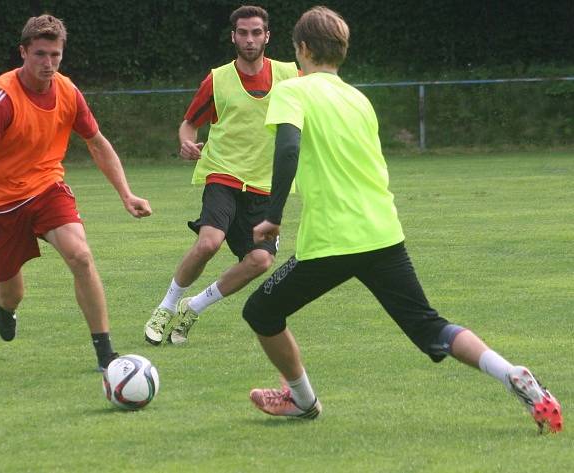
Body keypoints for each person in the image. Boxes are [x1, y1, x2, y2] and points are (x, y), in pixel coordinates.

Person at [242, 6, 563, 433]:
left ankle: (302, 400)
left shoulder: (293, 91)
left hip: (335, 240)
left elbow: (287, 149)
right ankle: (510, 373)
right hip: (382, 232)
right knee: (429, 324)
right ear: (342, 50)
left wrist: (273, 217)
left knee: (261, 311)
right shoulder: (359, 99)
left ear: (301, 49)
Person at [0, 15, 152, 371]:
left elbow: (96, 143)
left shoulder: (67, 91)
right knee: (11, 292)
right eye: (40, 55)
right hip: (0, 205)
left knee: (80, 255)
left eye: (55, 55)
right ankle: (3, 306)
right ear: (23, 52)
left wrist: (126, 194)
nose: (48, 64)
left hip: (47, 187)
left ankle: (105, 354)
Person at [143, 5, 298, 346]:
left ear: (267, 36)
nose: (249, 39)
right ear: (233, 36)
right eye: (243, 33)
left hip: (265, 187)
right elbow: (188, 124)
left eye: (256, 32)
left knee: (260, 260)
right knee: (209, 242)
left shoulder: (290, 75)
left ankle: (193, 306)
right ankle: (166, 307)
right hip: (223, 175)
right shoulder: (218, 79)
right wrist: (186, 143)